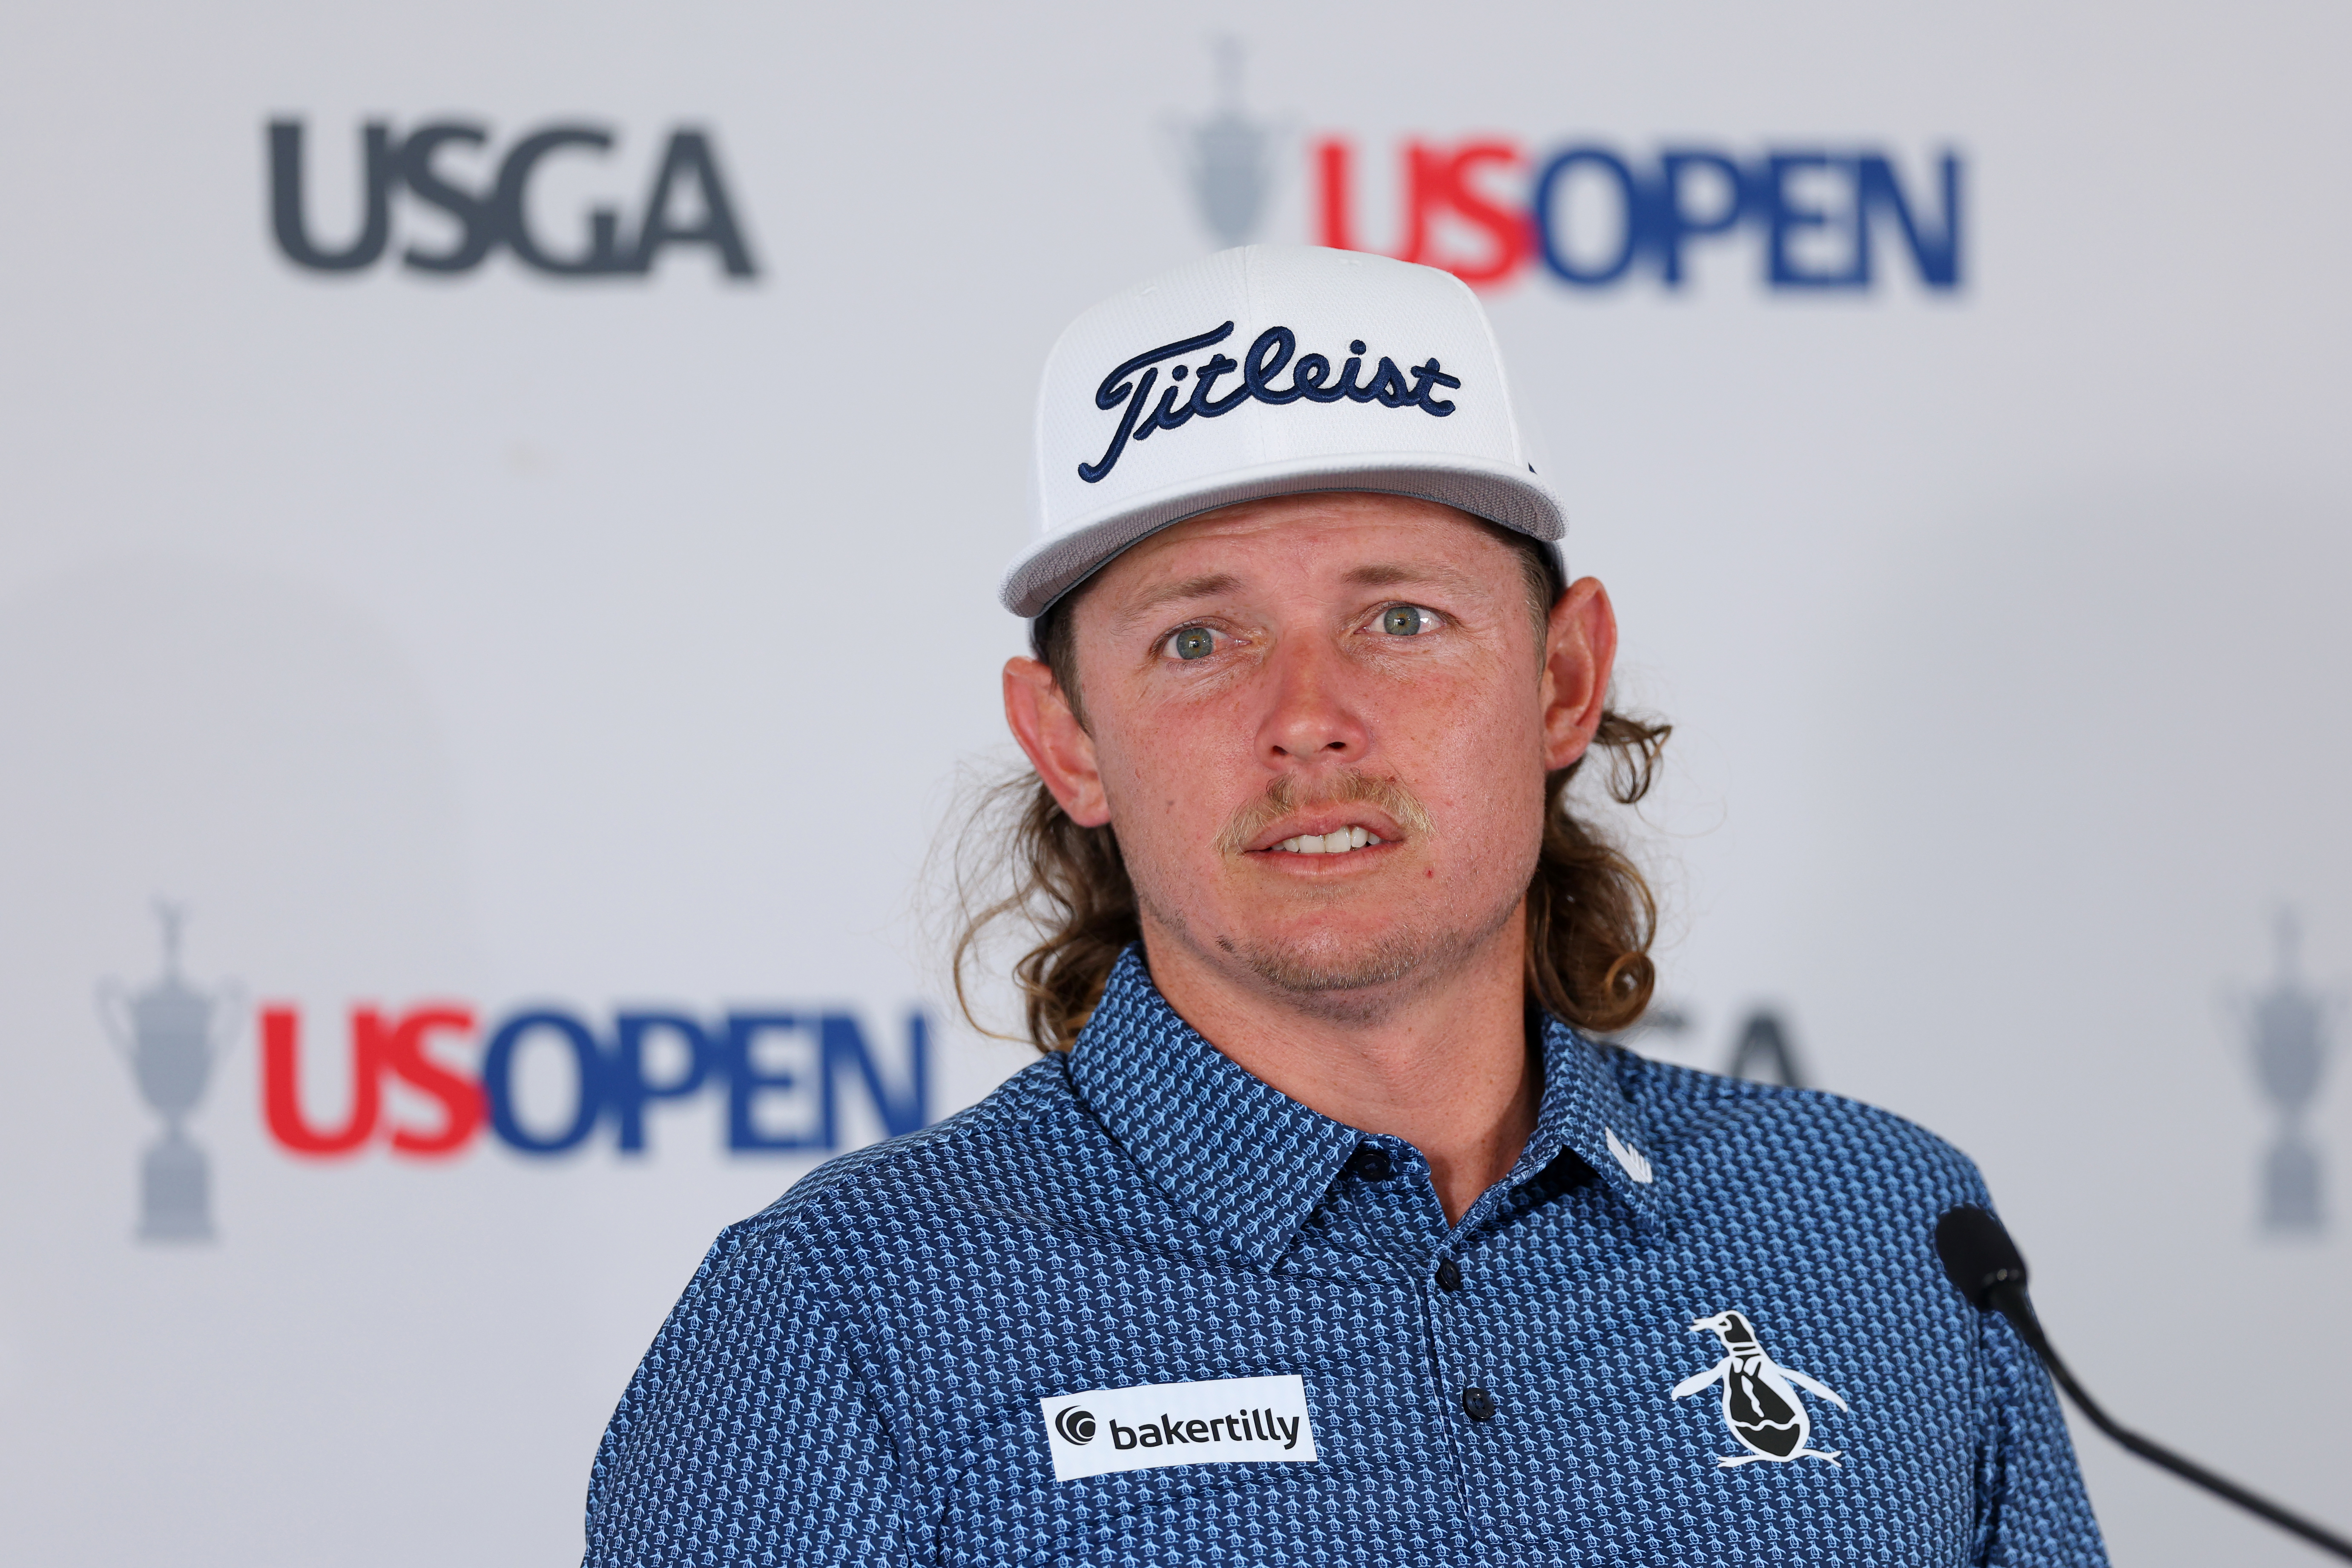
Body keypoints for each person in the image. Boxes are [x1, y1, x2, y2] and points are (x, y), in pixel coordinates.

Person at [581, 246, 2106, 1566]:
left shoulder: (1881, 1225)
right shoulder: (844, 1315)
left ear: (1564, 679)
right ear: (1066, 740)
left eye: (1400, 616)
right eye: (1197, 640)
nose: (1308, 719)